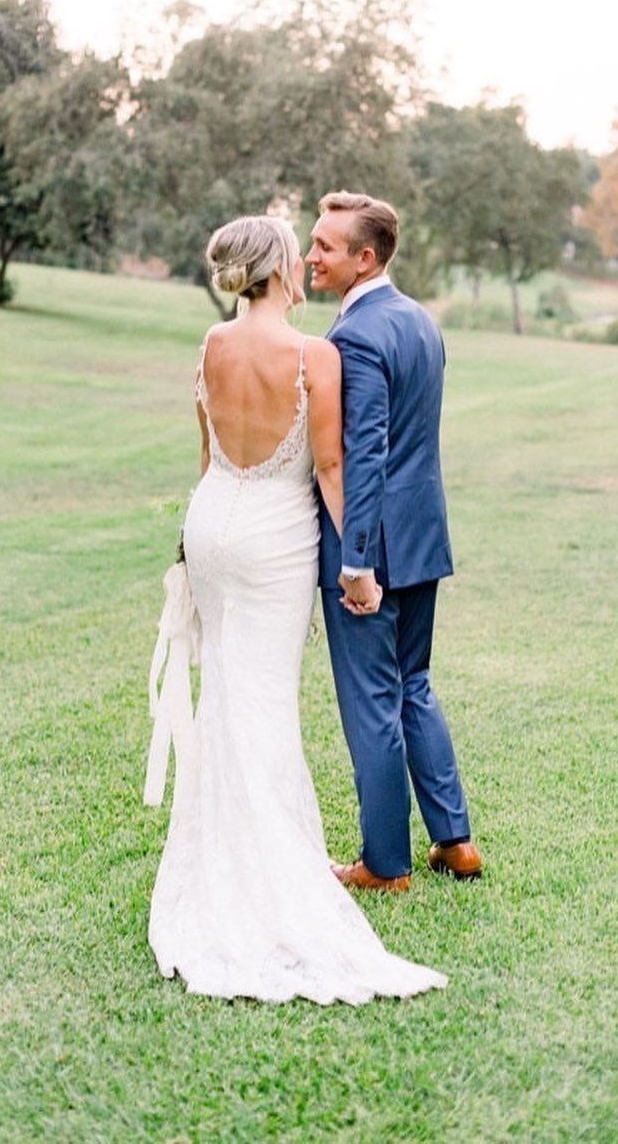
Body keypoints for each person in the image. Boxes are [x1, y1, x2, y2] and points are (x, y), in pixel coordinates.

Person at [147, 214, 447, 1005]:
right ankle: (271, 868)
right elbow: (332, 462)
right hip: (277, 536)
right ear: (280, 264)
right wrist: (359, 563)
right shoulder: (314, 354)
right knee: (266, 701)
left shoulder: (213, 344)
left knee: (225, 698)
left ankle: (221, 853)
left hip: (211, 522)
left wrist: (202, 526)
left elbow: (206, 451)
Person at [306, 191, 483, 892]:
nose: (311, 254)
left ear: (364, 257)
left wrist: (355, 560)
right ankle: (456, 840)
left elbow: (367, 453)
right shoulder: (421, 322)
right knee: (415, 685)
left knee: (374, 700)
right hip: (422, 536)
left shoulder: (353, 337)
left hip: (373, 549)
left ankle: (384, 862)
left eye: (325, 245)